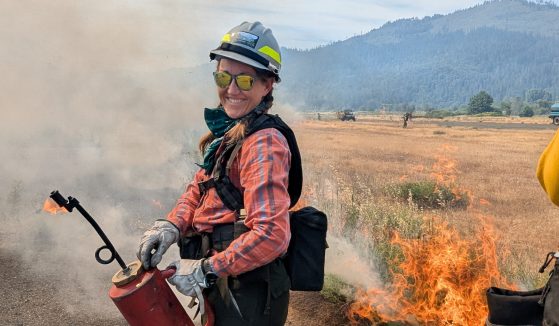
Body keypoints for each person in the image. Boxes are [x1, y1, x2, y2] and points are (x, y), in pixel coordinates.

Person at [137, 21, 292, 326]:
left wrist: (207, 270)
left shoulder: (263, 142)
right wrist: (170, 225)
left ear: (267, 84)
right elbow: (201, 187)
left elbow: (272, 235)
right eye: (223, 76)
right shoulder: (234, 132)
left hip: (248, 291)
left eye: (245, 81)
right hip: (227, 279)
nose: (231, 89)